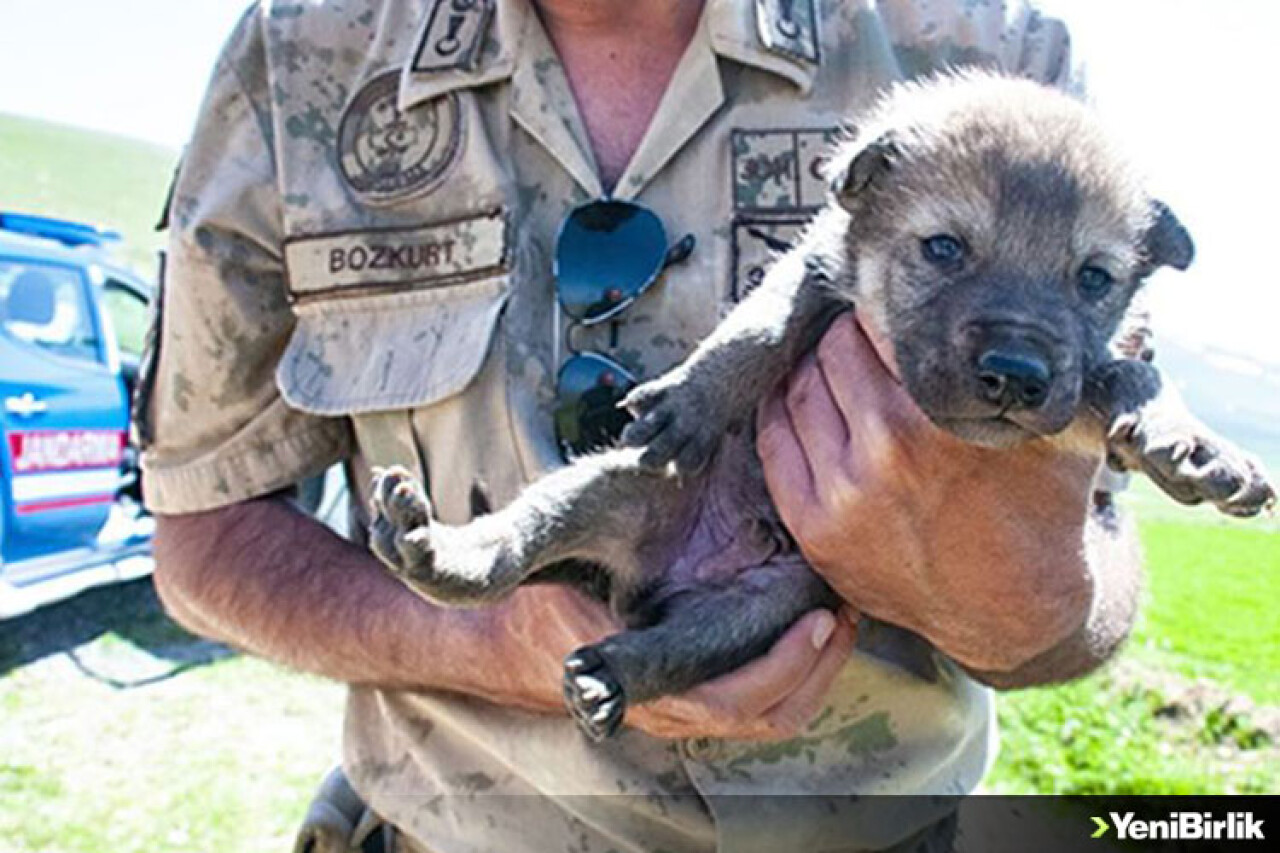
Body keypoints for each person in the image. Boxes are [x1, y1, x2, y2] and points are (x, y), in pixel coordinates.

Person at [140, 1, 1140, 850]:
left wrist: (1006, 598)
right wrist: (496, 646)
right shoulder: (306, 56)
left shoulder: (985, 60)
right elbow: (204, 534)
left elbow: (1086, 591)